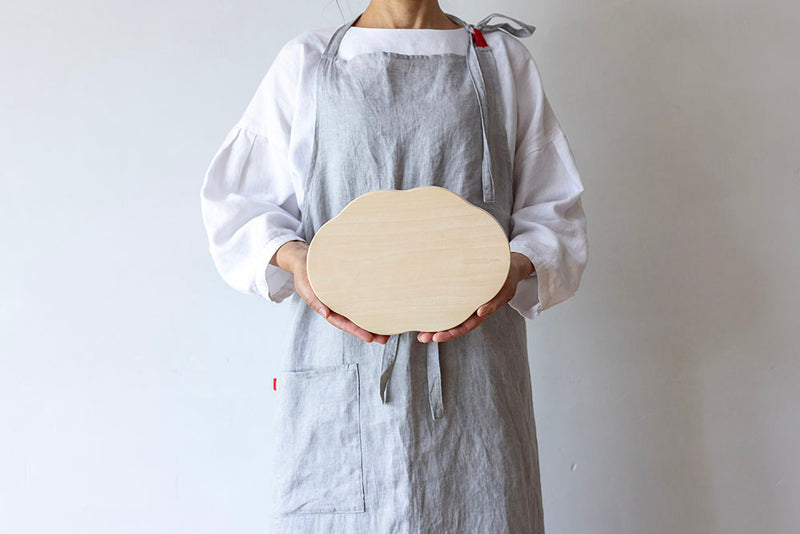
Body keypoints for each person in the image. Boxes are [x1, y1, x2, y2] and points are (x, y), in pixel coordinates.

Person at [200, 1, 588, 532]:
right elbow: (238, 205)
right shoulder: (308, 62)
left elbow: (554, 210)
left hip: (476, 378)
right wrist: (298, 261)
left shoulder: (499, 60)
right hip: (345, 369)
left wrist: (515, 266)